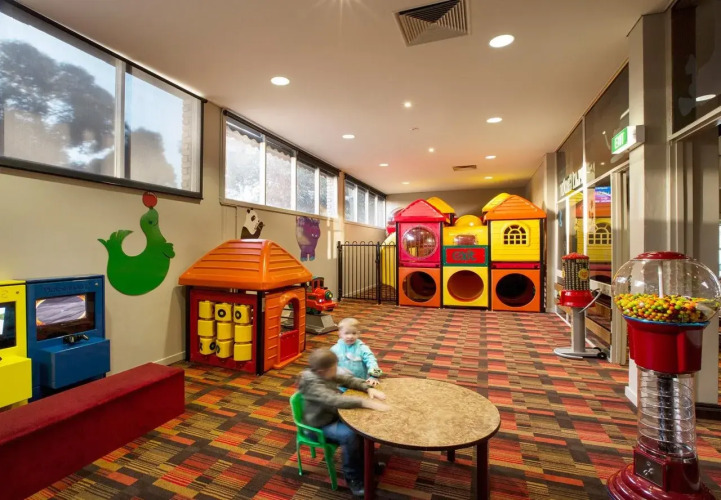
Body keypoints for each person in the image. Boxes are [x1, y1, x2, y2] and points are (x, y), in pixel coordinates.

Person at [298, 348, 389, 496]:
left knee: (360, 428)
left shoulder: (325, 374)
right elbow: (335, 400)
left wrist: (368, 388)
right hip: (317, 427)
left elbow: (347, 379)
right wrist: (365, 403)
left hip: (330, 416)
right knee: (349, 435)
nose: (337, 369)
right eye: (334, 367)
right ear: (322, 371)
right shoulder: (313, 385)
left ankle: (367, 465)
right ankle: (353, 478)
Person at [331, 318, 382, 387]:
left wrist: (374, 376)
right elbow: (328, 365)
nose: (350, 336)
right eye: (346, 333)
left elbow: (371, 360)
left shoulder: (362, 348)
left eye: (354, 333)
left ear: (358, 334)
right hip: (342, 385)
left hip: (361, 384)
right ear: (340, 334)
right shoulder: (334, 349)